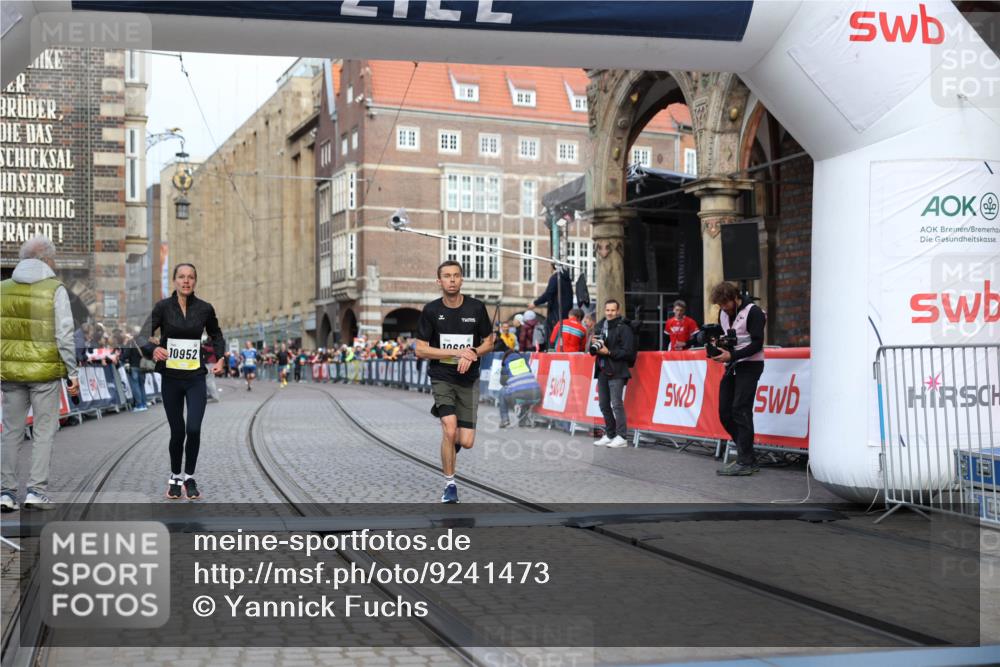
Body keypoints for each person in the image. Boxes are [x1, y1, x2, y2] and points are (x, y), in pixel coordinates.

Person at [0, 236, 81, 511]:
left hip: (10, 373)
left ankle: (6, 493)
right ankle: (36, 490)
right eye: (54, 258)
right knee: (44, 431)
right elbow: (65, 335)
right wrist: (72, 372)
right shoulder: (55, 289)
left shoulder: (3, 289)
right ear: (46, 260)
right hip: (45, 372)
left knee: (11, 432)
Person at [138, 263, 225, 500]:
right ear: (174, 281)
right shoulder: (163, 307)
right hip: (172, 378)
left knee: (193, 429)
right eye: (181, 277)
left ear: (195, 281)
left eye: (190, 277)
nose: (186, 281)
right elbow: (142, 335)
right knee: (177, 432)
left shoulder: (205, 308)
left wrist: (220, 358)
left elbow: (216, 335)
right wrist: (153, 350)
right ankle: (175, 476)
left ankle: (189, 476)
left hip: (195, 377)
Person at [416, 260, 494, 504]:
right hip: (442, 377)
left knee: (466, 441)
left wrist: (473, 352)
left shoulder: (476, 308)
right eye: (447, 276)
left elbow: (489, 342)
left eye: (456, 275)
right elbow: (420, 349)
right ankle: (450, 485)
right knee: (449, 429)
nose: (451, 280)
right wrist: (455, 354)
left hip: (468, 380)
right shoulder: (430, 310)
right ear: (439, 281)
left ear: (462, 279)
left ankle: (450, 447)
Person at [709, 282, 767, 476]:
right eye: (720, 305)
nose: (723, 307)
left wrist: (732, 356)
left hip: (750, 365)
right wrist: (717, 344)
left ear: (735, 297)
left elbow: (757, 344)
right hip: (732, 365)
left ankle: (746, 460)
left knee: (740, 409)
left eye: (725, 303)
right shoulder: (723, 313)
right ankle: (746, 453)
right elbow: (727, 336)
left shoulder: (754, 312)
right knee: (724, 412)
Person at [589, 299, 635, 449]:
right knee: (603, 404)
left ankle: (622, 437)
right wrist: (592, 345)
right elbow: (592, 351)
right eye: (607, 310)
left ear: (618, 311)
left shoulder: (624, 328)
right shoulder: (600, 326)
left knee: (616, 404)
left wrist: (609, 352)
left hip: (617, 370)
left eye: (613, 310)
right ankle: (610, 434)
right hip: (602, 370)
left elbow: (628, 353)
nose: (610, 313)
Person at [497, 349, 541, 428]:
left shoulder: (506, 364)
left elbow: (503, 382)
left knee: (502, 391)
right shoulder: (524, 362)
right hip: (536, 396)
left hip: (519, 396)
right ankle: (523, 420)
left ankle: (505, 419)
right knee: (523, 391)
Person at [529, 264, 573, 336]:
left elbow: (549, 293)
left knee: (553, 335)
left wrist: (535, 303)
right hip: (566, 314)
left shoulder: (555, 278)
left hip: (556, 312)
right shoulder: (567, 279)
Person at [125, 327, 149, 412]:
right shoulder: (144, 341)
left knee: (135, 386)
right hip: (143, 366)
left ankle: (139, 405)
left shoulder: (131, 342)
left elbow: (126, 354)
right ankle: (144, 404)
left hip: (134, 366)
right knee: (142, 385)